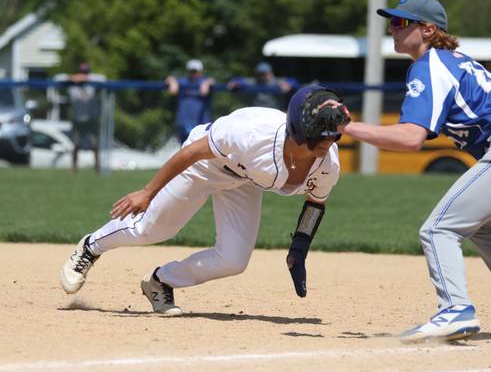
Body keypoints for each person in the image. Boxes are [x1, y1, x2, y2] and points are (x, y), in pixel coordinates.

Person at [340, 0, 491, 342]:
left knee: (438, 229)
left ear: (429, 30)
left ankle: (455, 310)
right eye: (392, 21)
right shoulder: (456, 61)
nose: (393, 28)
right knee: (481, 226)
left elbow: (410, 138)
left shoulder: (429, 64)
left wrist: (346, 127)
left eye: (402, 22)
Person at [59, 85, 350, 315]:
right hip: (206, 165)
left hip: (245, 179)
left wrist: (299, 249)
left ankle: (161, 281)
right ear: (301, 130)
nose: (328, 145)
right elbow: (191, 153)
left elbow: (316, 201)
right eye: (322, 137)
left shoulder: (328, 164)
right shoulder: (250, 134)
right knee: (153, 229)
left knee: (234, 260)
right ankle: (90, 247)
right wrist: (148, 192)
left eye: (332, 137)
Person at [166, 59, 214, 144]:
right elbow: (173, 90)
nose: (193, 74)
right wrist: (171, 80)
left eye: (195, 71)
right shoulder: (183, 81)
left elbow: (204, 91)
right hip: (184, 122)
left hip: (201, 124)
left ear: (200, 72)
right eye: (191, 71)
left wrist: (206, 83)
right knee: (185, 148)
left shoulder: (205, 81)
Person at [66, 62, 103, 173]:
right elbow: (59, 78)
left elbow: (102, 79)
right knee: (76, 145)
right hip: (78, 119)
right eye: (82, 72)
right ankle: (74, 167)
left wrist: (85, 78)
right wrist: (73, 78)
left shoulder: (91, 84)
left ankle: (97, 166)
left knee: (94, 145)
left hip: (90, 120)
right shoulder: (72, 86)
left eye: (85, 72)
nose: (83, 74)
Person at [227, 61, 293, 110]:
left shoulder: (277, 82)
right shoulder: (255, 82)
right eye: (260, 74)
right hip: (256, 113)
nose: (262, 76)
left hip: (274, 113)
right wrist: (234, 82)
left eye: (264, 73)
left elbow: (293, 81)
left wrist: (288, 84)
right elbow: (240, 80)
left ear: (270, 73)